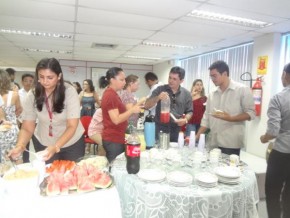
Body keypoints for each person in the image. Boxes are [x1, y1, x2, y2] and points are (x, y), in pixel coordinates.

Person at [8, 58, 85, 163]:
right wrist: (20, 146)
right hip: (44, 142)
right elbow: (27, 127)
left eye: (50, 77)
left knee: (71, 175)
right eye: (41, 77)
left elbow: (72, 126)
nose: (45, 81)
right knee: (48, 175)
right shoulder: (33, 94)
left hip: (72, 143)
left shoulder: (69, 92)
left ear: (59, 76)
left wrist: (56, 146)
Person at [196, 60, 255, 155]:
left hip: (231, 143)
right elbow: (206, 118)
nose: (212, 79)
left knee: (229, 169)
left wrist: (231, 118)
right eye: (211, 76)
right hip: (213, 142)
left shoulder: (242, 90)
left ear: (225, 74)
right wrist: (196, 137)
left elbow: (251, 113)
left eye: (214, 76)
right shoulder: (212, 93)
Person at [260, 62, 290, 218]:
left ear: (285, 74)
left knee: (272, 193)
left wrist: (263, 139)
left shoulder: (279, 98)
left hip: (282, 154)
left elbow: (273, 131)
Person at [101, 67, 143, 162]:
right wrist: (132, 110)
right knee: (114, 166)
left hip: (116, 137)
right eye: (121, 80)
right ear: (112, 80)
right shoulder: (110, 95)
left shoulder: (113, 94)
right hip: (113, 139)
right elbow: (116, 120)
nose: (124, 82)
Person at [144, 66, 193, 142]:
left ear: (181, 81)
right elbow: (146, 105)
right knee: (158, 152)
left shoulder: (186, 94)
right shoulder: (160, 89)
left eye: (174, 79)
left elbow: (189, 111)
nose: (170, 81)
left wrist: (185, 119)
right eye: (170, 77)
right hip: (159, 129)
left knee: (174, 153)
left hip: (176, 130)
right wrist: (158, 98)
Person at [0, 69, 22, 163]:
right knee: (17, 156)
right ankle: (20, 176)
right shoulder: (14, 95)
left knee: (2, 159)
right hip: (12, 129)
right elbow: (19, 110)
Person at [18, 73, 34, 163]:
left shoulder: (37, 93)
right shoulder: (18, 94)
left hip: (36, 122)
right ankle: (26, 162)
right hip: (23, 122)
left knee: (38, 143)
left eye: (31, 81)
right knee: (24, 144)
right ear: (22, 82)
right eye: (26, 81)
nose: (28, 83)